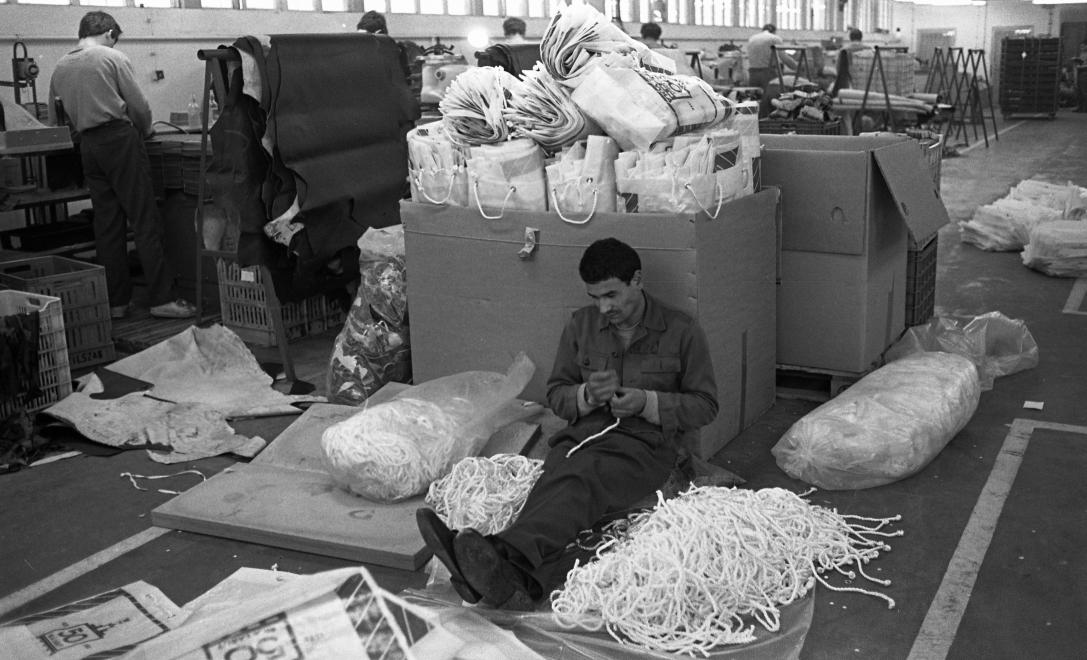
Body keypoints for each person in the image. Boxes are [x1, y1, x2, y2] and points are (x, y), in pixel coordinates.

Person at [417, 238, 719, 609]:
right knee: (558, 481)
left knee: (583, 477)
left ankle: (503, 549)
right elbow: (558, 393)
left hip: (647, 446)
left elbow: (705, 406)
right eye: (595, 297)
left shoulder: (681, 330)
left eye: (611, 294)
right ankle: (515, 577)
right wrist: (587, 396)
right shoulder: (581, 325)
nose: (604, 307)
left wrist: (647, 402)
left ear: (637, 280)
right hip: (581, 436)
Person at [48, 11, 194, 320]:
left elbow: (55, 119)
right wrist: (146, 129)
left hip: (88, 146)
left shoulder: (59, 67)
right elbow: (139, 106)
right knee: (144, 219)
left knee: (107, 225)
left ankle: (116, 302)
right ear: (110, 34)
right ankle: (162, 299)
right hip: (119, 140)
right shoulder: (111, 59)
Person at [745, 23, 795, 90]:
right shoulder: (775, 38)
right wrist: (796, 66)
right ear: (774, 31)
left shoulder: (752, 38)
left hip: (753, 73)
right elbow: (784, 58)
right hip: (768, 74)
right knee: (770, 97)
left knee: (754, 97)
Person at [831, 28, 869, 97]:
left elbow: (837, 67)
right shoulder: (869, 49)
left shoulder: (843, 50)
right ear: (861, 37)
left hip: (849, 84)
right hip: (867, 82)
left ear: (850, 37)